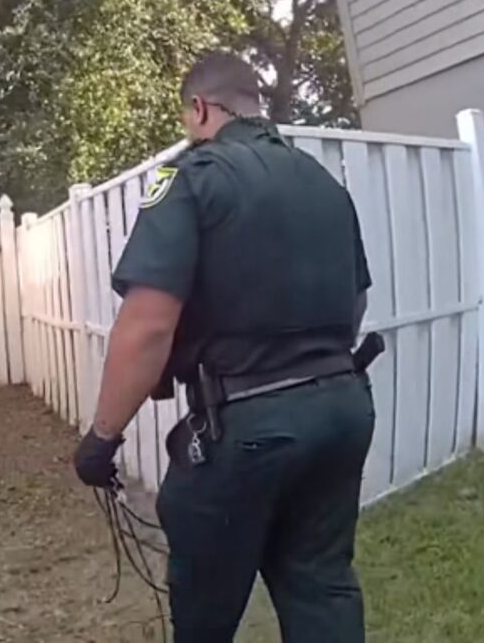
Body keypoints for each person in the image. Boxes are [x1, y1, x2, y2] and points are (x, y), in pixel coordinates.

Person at [73, 50, 376, 642]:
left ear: (200, 107)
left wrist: (102, 438)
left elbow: (149, 325)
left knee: (206, 602)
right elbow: (355, 303)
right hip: (343, 412)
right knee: (320, 582)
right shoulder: (321, 180)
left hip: (248, 430)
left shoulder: (194, 177)